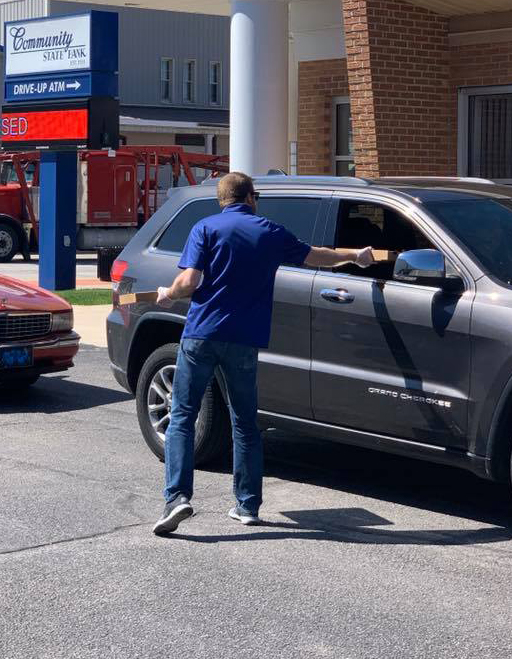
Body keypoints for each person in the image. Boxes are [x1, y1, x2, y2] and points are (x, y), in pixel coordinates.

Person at [152, 172, 374, 535]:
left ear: (221, 200)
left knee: (182, 416)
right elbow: (316, 256)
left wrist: (168, 292)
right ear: (251, 197)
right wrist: (357, 256)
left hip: (201, 335)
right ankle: (247, 505)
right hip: (244, 339)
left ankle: (177, 498)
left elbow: (189, 282)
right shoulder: (269, 232)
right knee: (245, 421)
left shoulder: (205, 228)